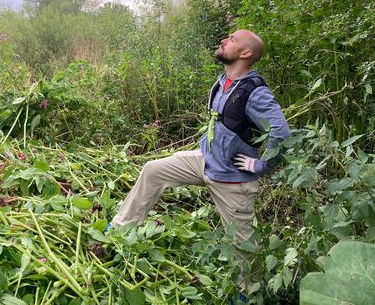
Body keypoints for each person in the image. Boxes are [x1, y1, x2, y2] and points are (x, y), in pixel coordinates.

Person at [110, 29, 291, 300]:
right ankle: (120, 230)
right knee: (153, 169)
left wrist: (262, 165)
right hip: (205, 162)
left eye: (231, 40)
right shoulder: (223, 82)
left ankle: (245, 294)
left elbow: (283, 134)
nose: (223, 40)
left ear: (246, 54)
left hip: (233, 177)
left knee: (241, 244)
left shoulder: (255, 92)